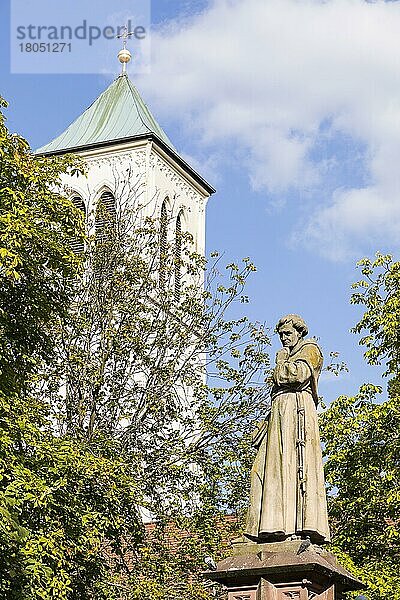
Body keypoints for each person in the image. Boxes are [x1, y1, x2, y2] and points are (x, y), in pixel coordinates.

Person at [245, 314, 330, 544]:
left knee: (292, 468)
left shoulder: (310, 349)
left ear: (299, 332)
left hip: (296, 414)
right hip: (281, 415)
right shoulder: (287, 354)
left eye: (287, 333)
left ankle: (295, 525)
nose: (283, 338)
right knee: (266, 469)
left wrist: (280, 365)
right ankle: (274, 525)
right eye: (281, 335)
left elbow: (297, 375)